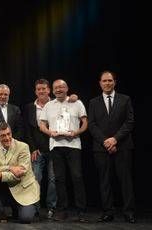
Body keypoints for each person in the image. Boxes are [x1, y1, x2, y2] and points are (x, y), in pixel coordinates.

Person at [88, 71, 136, 223]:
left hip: (122, 146)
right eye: (104, 81)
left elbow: (129, 122)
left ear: (115, 82)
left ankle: (129, 212)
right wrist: (106, 141)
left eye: (110, 80)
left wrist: (115, 139)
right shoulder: (93, 102)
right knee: (105, 181)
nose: (107, 83)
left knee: (125, 180)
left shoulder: (125, 99)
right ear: (100, 83)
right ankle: (108, 212)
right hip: (101, 147)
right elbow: (92, 125)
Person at [39, 79, 88, 222]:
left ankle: (81, 211)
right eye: (56, 88)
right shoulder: (48, 105)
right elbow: (42, 124)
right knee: (59, 179)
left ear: (67, 88)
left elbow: (85, 122)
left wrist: (77, 132)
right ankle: (61, 210)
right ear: (52, 90)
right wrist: (49, 133)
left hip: (73, 145)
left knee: (77, 177)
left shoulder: (76, 103)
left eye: (61, 87)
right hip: (56, 145)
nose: (59, 89)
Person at [0, 122, 39, 223]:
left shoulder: (23, 147)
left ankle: (29, 207)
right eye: (3, 135)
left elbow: (20, 172)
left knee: (25, 218)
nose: (7, 137)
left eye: (8, 134)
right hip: (6, 189)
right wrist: (10, 167)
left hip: (23, 188)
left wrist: (1, 174)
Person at [23, 79, 57, 219]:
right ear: (35, 91)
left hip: (55, 148)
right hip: (37, 150)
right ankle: (35, 209)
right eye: (38, 89)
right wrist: (32, 148)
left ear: (49, 90)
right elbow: (27, 130)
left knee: (53, 180)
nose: (41, 91)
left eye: (44, 88)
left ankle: (51, 208)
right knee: (36, 179)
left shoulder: (57, 104)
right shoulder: (29, 107)